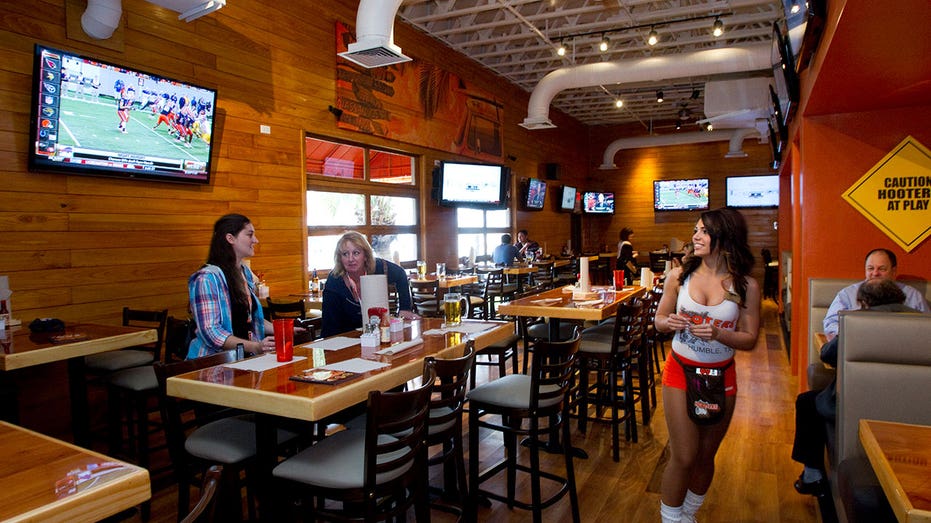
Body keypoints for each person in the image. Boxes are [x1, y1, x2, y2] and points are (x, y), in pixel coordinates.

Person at [654, 207, 761, 523]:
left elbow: (750, 338)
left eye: (703, 231)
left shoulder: (746, 286)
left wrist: (718, 333)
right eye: (695, 230)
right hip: (679, 370)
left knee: (704, 457)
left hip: (721, 376)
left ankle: (688, 514)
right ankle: (671, 520)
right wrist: (669, 322)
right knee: (684, 455)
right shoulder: (679, 276)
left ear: (724, 237)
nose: (695, 236)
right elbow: (659, 320)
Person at [791, 279, 919, 496]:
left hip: (858, 409)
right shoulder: (921, 321)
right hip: (914, 412)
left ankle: (812, 477)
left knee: (808, 402)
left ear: (863, 302)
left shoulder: (858, 322)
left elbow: (827, 355)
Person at [187, 214, 276, 359]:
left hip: (245, 361)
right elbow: (211, 332)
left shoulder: (244, 272)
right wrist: (255, 346)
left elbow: (250, 320)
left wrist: (284, 329)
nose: (256, 240)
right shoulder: (206, 278)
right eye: (250, 235)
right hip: (213, 364)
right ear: (230, 238)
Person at [321, 231, 419, 338]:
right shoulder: (334, 281)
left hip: (378, 335)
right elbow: (329, 328)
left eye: (356, 253)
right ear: (340, 258)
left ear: (366, 256)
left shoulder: (379, 267)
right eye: (345, 254)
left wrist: (405, 308)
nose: (350, 259)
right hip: (346, 339)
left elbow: (400, 274)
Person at [822, 248, 929, 339]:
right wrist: (853, 334)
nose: (875, 273)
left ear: (893, 271)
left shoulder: (912, 295)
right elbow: (830, 324)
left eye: (882, 269)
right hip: (859, 346)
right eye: (870, 268)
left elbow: (927, 329)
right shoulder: (847, 295)